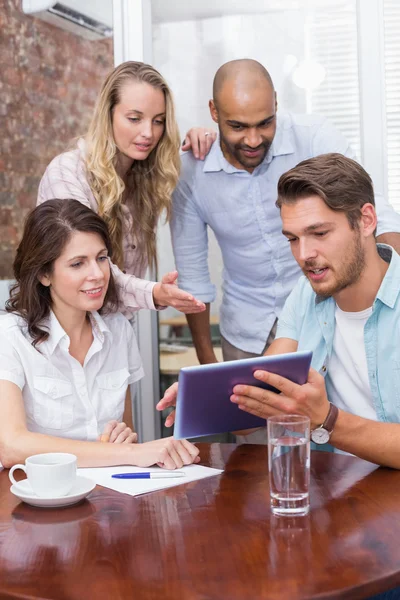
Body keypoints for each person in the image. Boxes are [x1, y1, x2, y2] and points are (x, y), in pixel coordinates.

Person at [170, 58, 400, 366]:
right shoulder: (191, 172)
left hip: (325, 312)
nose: (253, 140)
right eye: (237, 126)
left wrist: (394, 298)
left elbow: (375, 212)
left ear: (276, 103)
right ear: (214, 112)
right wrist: (207, 364)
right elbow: (193, 276)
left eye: (265, 123)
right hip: (245, 328)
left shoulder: (313, 135)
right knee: (253, 409)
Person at [229, 153, 400, 469]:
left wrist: (326, 420)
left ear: (366, 220)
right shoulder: (305, 293)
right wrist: (202, 399)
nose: (304, 255)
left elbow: (319, 418)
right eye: (293, 239)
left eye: (319, 233)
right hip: (337, 494)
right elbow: (262, 396)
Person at [0, 199, 199, 469]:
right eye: (78, 264)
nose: (97, 274)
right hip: (33, 500)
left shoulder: (118, 330)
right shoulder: (10, 336)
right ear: (45, 274)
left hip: (107, 496)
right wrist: (129, 454)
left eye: (101, 258)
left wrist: (124, 443)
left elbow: (124, 434)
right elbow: (11, 446)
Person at [37, 61, 215, 316]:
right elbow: (88, 270)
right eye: (134, 118)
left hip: (117, 330)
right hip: (65, 336)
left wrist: (204, 138)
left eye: (158, 121)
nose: (148, 133)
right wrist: (153, 293)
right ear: (107, 114)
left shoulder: (147, 176)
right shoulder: (67, 174)